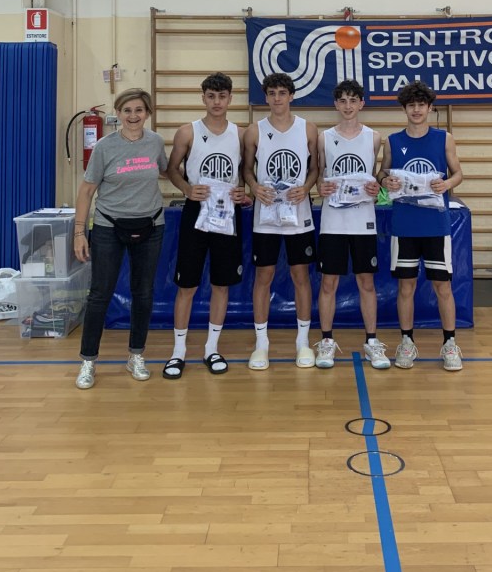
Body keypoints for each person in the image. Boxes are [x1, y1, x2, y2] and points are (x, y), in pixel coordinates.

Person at [73, 88, 168, 390]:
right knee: (100, 294)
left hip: (151, 225)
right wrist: (79, 232)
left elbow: (168, 172)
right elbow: (87, 191)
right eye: (127, 110)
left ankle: (136, 355)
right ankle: (88, 360)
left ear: (147, 113)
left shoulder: (156, 143)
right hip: (108, 227)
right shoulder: (104, 147)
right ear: (118, 113)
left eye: (139, 110)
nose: (133, 116)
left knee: (143, 293)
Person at [163, 72, 249, 379]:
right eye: (211, 96)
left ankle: (212, 348)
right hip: (195, 212)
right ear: (203, 98)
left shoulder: (241, 134)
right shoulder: (188, 132)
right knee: (187, 285)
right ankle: (178, 352)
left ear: (230, 99)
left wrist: (244, 192)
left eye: (222, 96)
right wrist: (187, 189)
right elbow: (171, 169)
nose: (216, 102)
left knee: (221, 284)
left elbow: (247, 173)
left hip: (227, 214)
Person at [377, 80, 464, 372]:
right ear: (404, 109)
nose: (416, 110)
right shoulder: (392, 141)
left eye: (421, 105)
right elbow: (381, 173)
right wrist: (386, 181)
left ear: (429, 108)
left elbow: (458, 173)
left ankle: (450, 344)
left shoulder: (444, 139)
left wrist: (447, 184)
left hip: (436, 225)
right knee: (406, 286)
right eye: (411, 105)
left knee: (443, 286)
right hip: (404, 225)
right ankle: (406, 342)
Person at [243, 72, 319, 370]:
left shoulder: (308, 128)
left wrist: (307, 187)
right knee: (264, 276)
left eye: (282, 93)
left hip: (298, 214)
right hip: (266, 215)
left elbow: (315, 168)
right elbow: (246, 169)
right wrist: (254, 186)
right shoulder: (254, 131)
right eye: (272, 93)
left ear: (291, 96)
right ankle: (261, 344)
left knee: (301, 276)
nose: (277, 98)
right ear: (266, 97)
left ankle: (303, 342)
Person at [315, 80, 389, 370]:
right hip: (333, 221)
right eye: (342, 100)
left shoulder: (374, 138)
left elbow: (377, 176)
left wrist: (377, 188)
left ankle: (372, 341)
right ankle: (326, 341)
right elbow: (318, 174)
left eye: (353, 100)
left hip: (363, 221)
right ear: (336, 104)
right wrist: (319, 187)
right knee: (328, 282)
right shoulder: (324, 137)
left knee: (366, 282)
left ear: (361, 104)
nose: (348, 106)